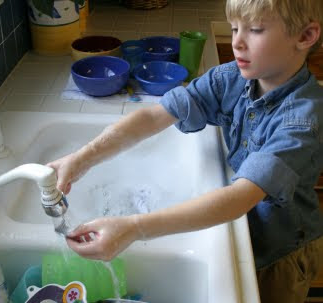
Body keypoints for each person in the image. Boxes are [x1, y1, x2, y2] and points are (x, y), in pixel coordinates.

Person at [47, 0, 323, 302]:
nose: (237, 42)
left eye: (255, 30)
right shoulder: (231, 77)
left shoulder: (301, 121)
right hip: (246, 229)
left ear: (305, 37)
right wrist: (82, 158)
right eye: (234, 28)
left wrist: (134, 228)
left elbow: (241, 197)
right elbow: (154, 116)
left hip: (280, 253)